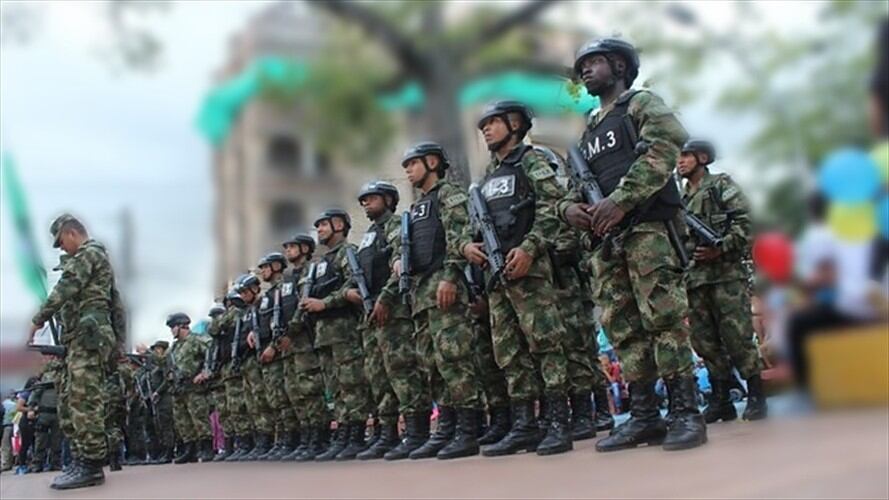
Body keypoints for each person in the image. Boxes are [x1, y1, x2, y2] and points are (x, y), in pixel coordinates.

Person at [560, 38, 707, 452]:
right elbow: (573, 187)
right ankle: (644, 417)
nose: (586, 70)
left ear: (620, 66)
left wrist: (620, 201)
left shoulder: (640, 104)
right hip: (606, 242)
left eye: (595, 62)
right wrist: (570, 211)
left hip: (647, 231)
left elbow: (665, 146)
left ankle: (686, 413)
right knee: (624, 329)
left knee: (663, 320)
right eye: (582, 65)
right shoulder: (587, 130)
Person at [462, 101, 573, 457]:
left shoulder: (532, 160)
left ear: (514, 124)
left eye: (492, 123)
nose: (486, 131)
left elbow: (553, 208)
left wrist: (530, 248)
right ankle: (525, 424)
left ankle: (558, 422)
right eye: (482, 127)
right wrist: (467, 246)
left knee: (545, 344)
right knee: (509, 353)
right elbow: (471, 226)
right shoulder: (486, 179)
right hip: (495, 274)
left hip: (529, 269)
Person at [392, 142, 484, 460]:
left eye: (412, 163)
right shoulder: (416, 208)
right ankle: (447, 427)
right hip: (421, 296)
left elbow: (460, 236)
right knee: (433, 364)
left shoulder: (449, 194)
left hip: (443, 288)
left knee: (455, 360)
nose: (407, 170)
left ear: (432, 162)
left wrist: (451, 276)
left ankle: (468, 430)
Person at [28, 214, 120, 489]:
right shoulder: (91, 258)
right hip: (79, 338)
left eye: (61, 243)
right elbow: (118, 304)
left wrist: (37, 319)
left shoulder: (90, 254)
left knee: (84, 400)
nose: (62, 249)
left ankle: (91, 465)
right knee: (69, 401)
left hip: (88, 338)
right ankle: (81, 459)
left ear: (70, 233)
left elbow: (66, 288)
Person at [677, 139, 767, 422]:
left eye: (686, 156)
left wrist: (722, 246)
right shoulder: (679, 200)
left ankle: (756, 394)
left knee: (737, 337)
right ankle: (720, 399)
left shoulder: (720, 186)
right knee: (704, 342)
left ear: (703, 158)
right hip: (695, 279)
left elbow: (747, 222)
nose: (679, 162)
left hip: (725, 276)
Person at [353, 181, 430, 460]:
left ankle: (417, 430)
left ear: (388, 199)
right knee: (378, 375)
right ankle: (387, 433)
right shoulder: (368, 237)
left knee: (403, 369)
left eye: (371, 198)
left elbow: (401, 261)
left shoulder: (397, 225)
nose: (365, 203)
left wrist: (384, 298)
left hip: (393, 310)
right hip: (370, 313)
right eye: (363, 200)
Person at [300, 208, 372, 461]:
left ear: (339, 225)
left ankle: (356, 435)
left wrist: (325, 303)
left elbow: (353, 285)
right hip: (324, 333)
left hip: (344, 329)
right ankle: (344, 433)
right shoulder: (320, 264)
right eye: (317, 225)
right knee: (337, 388)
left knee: (352, 384)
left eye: (323, 224)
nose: (318, 229)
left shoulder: (347, 252)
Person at [280, 232, 332, 461]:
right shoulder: (289, 278)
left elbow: (304, 306)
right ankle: (308, 436)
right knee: (299, 393)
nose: (288, 251)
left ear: (304, 249)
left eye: (292, 247)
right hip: (293, 343)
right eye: (287, 247)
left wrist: (291, 330)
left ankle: (320, 438)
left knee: (312, 390)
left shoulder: (314, 268)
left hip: (307, 338)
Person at [250, 253, 302, 461]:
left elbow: (288, 317)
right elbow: (266, 323)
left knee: (290, 397)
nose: (262, 271)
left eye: (265, 267)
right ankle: (284, 440)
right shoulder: (267, 295)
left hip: (283, 349)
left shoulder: (287, 286)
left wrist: (273, 346)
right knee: (277, 400)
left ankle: (296, 439)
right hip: (268, 352)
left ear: (276, 267)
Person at [231, 274, 277, 461]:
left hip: (264, 355)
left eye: (244, 291)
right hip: (249, 361)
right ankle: (261, 441)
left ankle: (270, 440)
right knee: (254, 403)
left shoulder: (265, 304)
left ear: (255, 289)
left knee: (266, 400)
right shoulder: (247, 311)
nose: (242, 296)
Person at [165, 313, 214, 463]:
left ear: (181, 326)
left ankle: (207, 448)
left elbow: (211, 354)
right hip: (179, 388)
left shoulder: (197, 340)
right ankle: (190, 449)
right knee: (182, 420)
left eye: (173, 327)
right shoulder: (174, 348)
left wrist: (205, 372)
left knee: (199, 417)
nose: (171, 330)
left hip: (194, 385)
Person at [147, 340, 175, 464]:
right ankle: (164, 450)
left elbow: (166, 380)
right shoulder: (155, 367)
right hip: (158, 399)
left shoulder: (166, 363)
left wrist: (157, 392)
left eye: (158, 349)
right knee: (161, 426)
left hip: (165, 396)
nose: (155, 351)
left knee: (167, 425)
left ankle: (169, 451)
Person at [1, 392, 16, 472]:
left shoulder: (3, 404)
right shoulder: (14, 404)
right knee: (10, 445)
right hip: (13, 425)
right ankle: (10, 462)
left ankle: (6, 464)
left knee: (5, 445)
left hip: (5, 426)